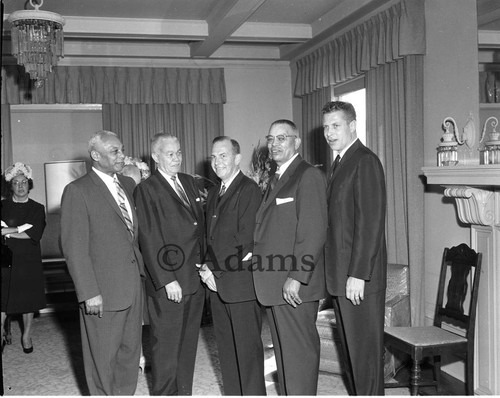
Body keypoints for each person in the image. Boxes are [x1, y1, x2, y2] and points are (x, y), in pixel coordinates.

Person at [60, 130, 144, 395]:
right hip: (102, 293)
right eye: (114, 151)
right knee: (102, 360)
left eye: (121, 149)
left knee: (130, 355)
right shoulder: (77, 191)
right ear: (96, 156)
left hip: (132, 287)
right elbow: (74, 248)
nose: (122, 155)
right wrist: (89, 292)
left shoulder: (129, 186)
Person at [252, 119, 327, 395]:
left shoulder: (308, 176)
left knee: (299, 357)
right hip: (275, 283)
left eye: (281, 138)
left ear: (296, 142)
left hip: (294, 285)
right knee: (285, 360)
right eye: (270, 139)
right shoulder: (277, 178)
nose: (274, 145)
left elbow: (314, 232)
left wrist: (296, 277)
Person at [322, 101, 387, 395]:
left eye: (336, 126)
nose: (329, 132)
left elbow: (370, 223)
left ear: (352, 126)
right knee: (351, 356)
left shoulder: (365, 160)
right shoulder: (338, 163)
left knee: (365, 358)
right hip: (341, 277)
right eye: (326, 126)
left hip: (357, 279)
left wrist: (358, 274)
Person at [134, 133, 205, 395]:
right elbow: (149, 237)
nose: (176, 158)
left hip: (194, 279)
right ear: (155, 157)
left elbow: (200, 228)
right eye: (169, 154)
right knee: (165, 348)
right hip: (170, 283)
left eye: (178, 152)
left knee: (187, 346)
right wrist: (166, 279)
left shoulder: (188, 182)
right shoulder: (146, 189)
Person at [198, 136, 266, 395]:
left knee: (247, 353)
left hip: (239, 285)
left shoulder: (248, 189)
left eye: (223, 156)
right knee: (226, 351)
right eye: (213, 157)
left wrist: (213, 269)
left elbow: (245, 240)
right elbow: (211, 237)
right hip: (217, 285)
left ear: (237, 158)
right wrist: (206, 268)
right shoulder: (216, 191)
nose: (217, 162)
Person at [1, 163, 46, 354]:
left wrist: (8, 231)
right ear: (10, 186)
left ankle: (26, 335)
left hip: (29, 258)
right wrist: (22, 228)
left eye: (24, 182)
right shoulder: (2, 206)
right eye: (16, 182)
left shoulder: (37, 208)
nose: (20, 186)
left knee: (28, 299)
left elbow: (34, 233)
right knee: (2, 297)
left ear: (29, 185)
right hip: (4, 257)